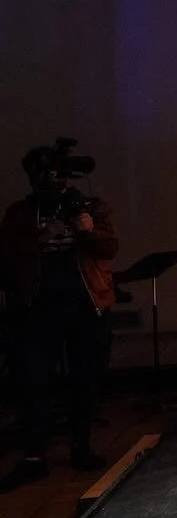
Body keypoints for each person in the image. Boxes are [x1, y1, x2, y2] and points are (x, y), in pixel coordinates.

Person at [0, 141, 117, 490]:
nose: (50, 181)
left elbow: (110, 248)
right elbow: (6, 256)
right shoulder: (21, 213)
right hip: (37, 307)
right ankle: (34, 455)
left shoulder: (91, 206)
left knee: (85, 377)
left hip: (85, 304)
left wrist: (87, 229)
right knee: (35, 381)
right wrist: (38, 239)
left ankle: (81, 446)